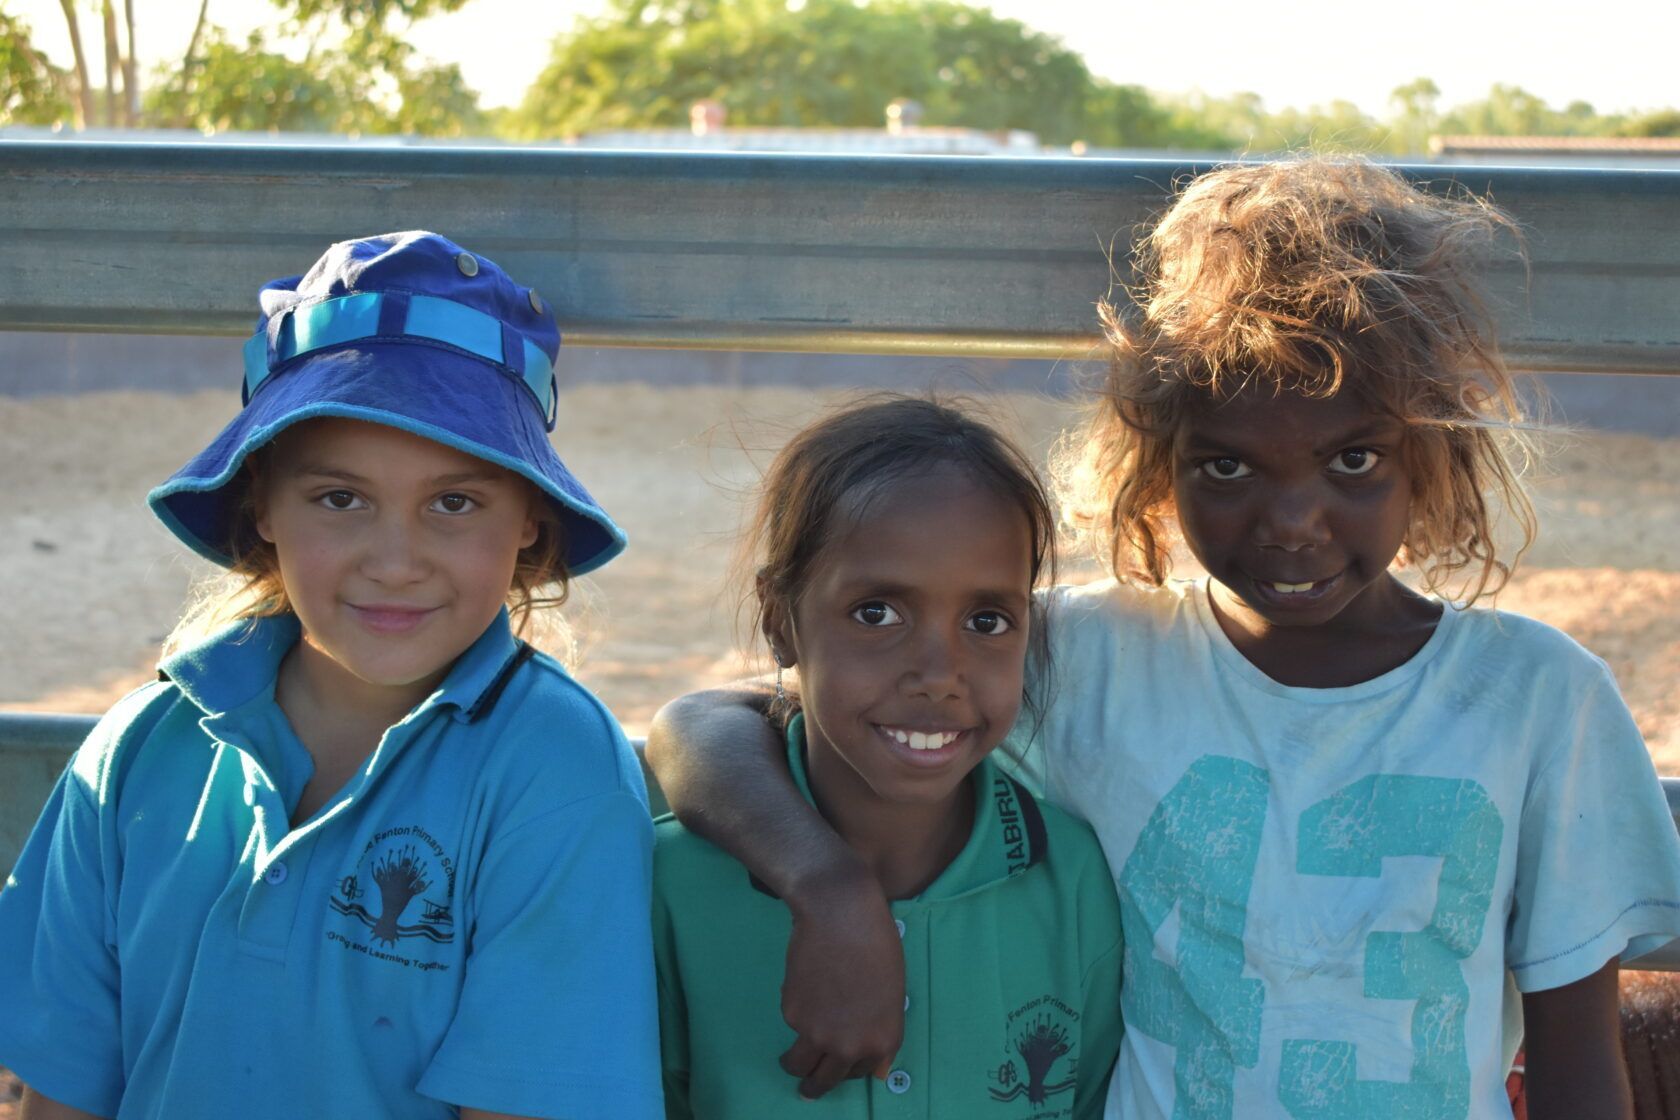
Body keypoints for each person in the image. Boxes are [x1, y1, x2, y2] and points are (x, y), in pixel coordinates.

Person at [644, 157, 1680, 1118]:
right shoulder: (1089, 654)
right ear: (1156, 464)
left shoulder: (1539, 694)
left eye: (1354, 460)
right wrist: (826, 887)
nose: (1292, 519)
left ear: (1431, 451)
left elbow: (1577, 1052)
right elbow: (702, 723)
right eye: (1228, 466)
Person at [0, 232, 664, 1120]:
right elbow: (60, 1093)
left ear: (530, 528)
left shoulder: (555, 771)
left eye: (453, 503)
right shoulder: (134, 751)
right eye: (340, 499)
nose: (395, 562)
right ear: (261, 504)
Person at [653, 396, 1123, 1119]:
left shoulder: (1075, 881)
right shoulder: (671, 884)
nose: (939, 672)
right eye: (878, 613)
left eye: (987, 620)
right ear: (782, 621)